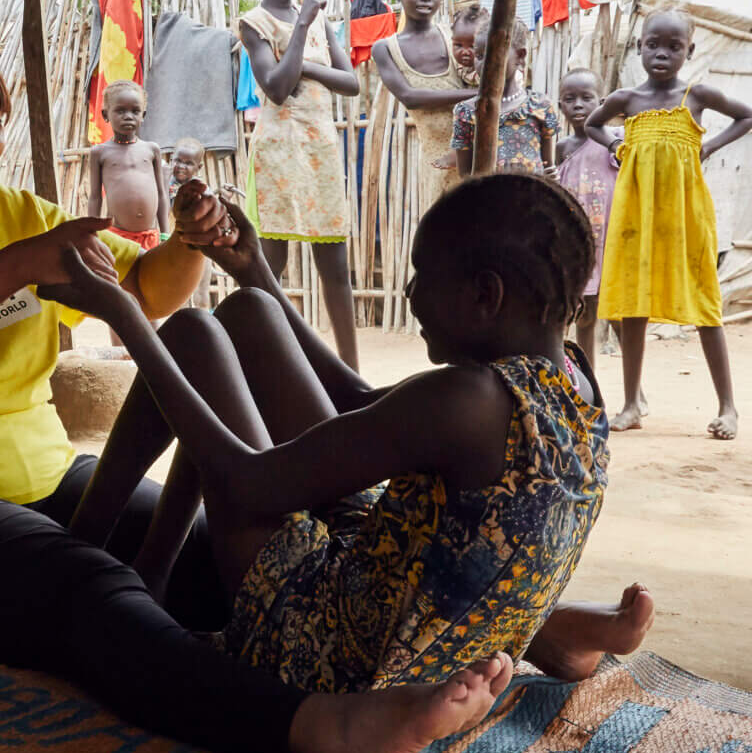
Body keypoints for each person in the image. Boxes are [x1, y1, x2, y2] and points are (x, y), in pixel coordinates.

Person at [0, 29, 650, 753]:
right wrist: (18, 268)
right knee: (86, 593)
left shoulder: (17, 214)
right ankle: (318, 729)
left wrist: (192, 242)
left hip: (36, 482)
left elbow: (149, 294)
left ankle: (526, 623)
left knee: (210, 556)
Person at [47, 172, 633, 696]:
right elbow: (358, 405)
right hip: (411, 621)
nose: (409, 294)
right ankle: (144, 570)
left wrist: (127, 316)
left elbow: (248, 486)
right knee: (249, 310)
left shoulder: (470, 399)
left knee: (195, 337)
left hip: (340, 662)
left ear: (485, 295)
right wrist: (256, 271)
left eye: (422, 277)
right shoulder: (570, 382)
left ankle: (87, 558)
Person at [586, 10, 752, 440]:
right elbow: (591, 123)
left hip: (686, 217)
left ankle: (728, 407)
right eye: (653, 44)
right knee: (633, 305)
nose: (662, 53)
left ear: (689, 51)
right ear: (639, 46)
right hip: (636, 217)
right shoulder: (626, 100)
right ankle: (631, 404)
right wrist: (615, 143)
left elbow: (748, 116)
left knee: (705, 304)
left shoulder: (695, 96)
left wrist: (706, 147)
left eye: (674, 47)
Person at [237, 0, 361, 369]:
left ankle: (352, 372)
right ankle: (266, 366)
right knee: (270, 268)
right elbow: (275, 88)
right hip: (277, 152)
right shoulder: (254, 23)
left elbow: (351, 83)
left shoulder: (322, 24)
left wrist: (307, 59)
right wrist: (303, 24)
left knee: (335, 267)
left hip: (320, 151)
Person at [374, 0, 476, 203]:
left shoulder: (454, 36)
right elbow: (410, 98)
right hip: (436, 160)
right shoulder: (385, 49)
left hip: (475, 153)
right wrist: (477, 95)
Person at [555, 68, 620, 346]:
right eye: (570, 99)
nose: (578, 105)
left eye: (586, 98)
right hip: (579, 245)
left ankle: (634, 389)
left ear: (602, 103)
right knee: (584, 316)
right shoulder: (561, 148)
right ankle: (588, 386)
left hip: (613, 241)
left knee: (618, 317)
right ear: (560, 106)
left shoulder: (615, 140)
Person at [449, 19, 559, 176]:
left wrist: (551, 178)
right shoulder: (466, 111)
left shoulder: (539, 105)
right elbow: (465, 175)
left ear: (520, 57)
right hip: (488, 199)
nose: (485, 64)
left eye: (496, 55)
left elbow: (547, 166)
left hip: (532, 197)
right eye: (479, 56)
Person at [84, 80, 169, 252]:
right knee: (120, 278)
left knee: (151, 278)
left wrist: (165, 233)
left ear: (143, 115)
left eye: (135, 111)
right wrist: (90, 231)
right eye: (120, 111)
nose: (128, 116)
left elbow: (161, 194)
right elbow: (95, 197)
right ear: (105, 114)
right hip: (117, 237)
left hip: (150, 237)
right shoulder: (100, 152)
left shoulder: (152, 150)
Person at [167, 136, 206, 205]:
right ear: (171, 159)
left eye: (189, 163)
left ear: (198, 167)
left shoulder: (200, 189)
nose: (181, 166)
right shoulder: (164, 182)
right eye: (178, 160)